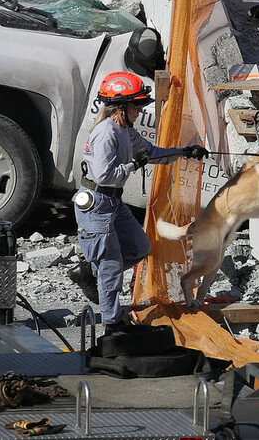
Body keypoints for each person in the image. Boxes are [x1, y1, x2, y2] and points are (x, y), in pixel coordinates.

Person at [68, 71, 209, 334]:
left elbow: (150, 153)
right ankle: (112, 324)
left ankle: (90, 270)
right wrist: (133, 164)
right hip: (97, 204)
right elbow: (103, 175)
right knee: (110, 267)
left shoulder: (124, 130)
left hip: (112, 202)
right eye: (137, 106)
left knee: (139, 247)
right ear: (122, 108)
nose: (140, 110)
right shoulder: (106, 133)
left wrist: (185, 152)